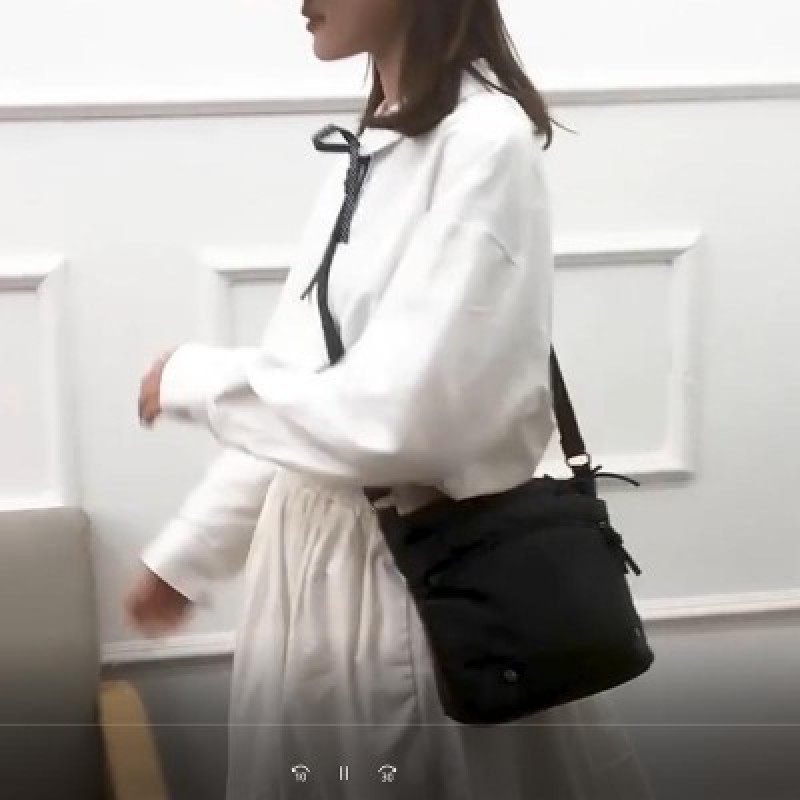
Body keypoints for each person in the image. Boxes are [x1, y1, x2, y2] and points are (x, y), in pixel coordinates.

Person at [127, 1, 656, 798]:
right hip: (314, 583)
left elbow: (408, 421)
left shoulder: (484, 141)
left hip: (412, 587)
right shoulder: (379, 140)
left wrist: (194, 379)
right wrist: (189, 555)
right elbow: (308, 379)